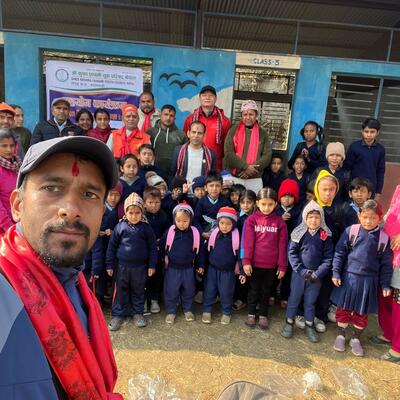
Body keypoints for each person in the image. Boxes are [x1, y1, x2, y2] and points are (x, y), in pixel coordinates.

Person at [0, 135, 121, 399]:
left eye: (89, 194)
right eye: (52, 188)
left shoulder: (77, 284)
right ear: (18, 205)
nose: (71, 209)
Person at [331, 200, 393, 357]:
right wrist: (336, 272)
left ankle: (355, 338)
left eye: (373, 218)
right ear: (359, 215)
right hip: (349, 278)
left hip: (368, 282)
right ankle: (341, 335)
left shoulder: (383, 239)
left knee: (361, 312)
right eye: (365, 217)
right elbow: (339, 253)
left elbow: (386, 265)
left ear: (380, 218)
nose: (368, 221)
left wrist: (385, 285)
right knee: (343, 309)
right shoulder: (351, 231)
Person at [281, 201, 334, 343]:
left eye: (317, 217)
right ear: (305, 217)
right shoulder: (299, 233)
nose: (313, 220)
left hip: (316, 277)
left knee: (310, 301)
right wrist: (300, 269)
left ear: (321, 218)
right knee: (294, 298)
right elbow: (291, 253)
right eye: (310, 217)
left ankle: (309, 325)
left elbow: (328, 257)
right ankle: (289, 322)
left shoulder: (325, 235)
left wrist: (319, 273)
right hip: (299, 274)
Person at [106, 192, 157, 330]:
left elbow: (153, 247)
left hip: (140, 267)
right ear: (125, 212)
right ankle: (118, 315)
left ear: (142, 212)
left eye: (137, 213)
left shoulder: (146, 228)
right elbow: (111, 246)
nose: (134, 216)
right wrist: (109, 265)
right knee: (120, 291)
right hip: (121, 267)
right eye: (131, 213)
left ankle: (138, 313)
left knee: (138, 291)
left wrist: (152, 265)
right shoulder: (120, 226)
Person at [241, 187, 288, 329]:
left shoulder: (280, 223)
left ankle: (263, 315)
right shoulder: (251, 220)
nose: (266, 208)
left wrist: (282, 265)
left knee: (266, 291)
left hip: (271, 266)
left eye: (270, 204)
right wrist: (246, 261)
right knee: (253, 290)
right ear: (257, 203)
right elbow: (247, 243)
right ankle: (251, 313)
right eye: (263, 204)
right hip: (254, 264)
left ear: (276, 204)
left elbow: (283, 246)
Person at [159, 202, 205, 324]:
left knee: (189, 290)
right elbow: (162, 246)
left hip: (189, 268)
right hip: (172, 268)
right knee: (171, 290)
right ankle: (171, 311)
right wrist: (161, 259)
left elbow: (200, 251)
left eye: (185, 221)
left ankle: (188, 309)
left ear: (190, 220)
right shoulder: (170, 232)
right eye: (178, 221)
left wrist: (200, 265)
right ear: (174, 219)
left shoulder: (195, 233)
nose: (182, 224)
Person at [373, 185, 400, 363]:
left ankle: (398, 347)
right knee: (385, 295)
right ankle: (389, 332)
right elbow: (392, 211)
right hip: (387, 253)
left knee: (398, 301)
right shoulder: (398, 188)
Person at [202, 207, 242, 325]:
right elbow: (207, 250)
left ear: (233, 224)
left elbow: (241, 253)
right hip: (212, 269)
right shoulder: (214, 234)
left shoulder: (236, 237)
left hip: (228, 272)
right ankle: (207, 310)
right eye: (222, 223)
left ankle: (226, 312)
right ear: (218, 222)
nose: (224, 226)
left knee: (226, 292)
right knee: (209, 290)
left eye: (228, 224)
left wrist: (241, 268)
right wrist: (202, 265)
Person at [224, 100, 272, 193]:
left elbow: (267, 155)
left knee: (254, 201)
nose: (248, 117)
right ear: (241, 116)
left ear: (256, 115)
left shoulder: (263, 133)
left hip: (255, 179)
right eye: (245, 114)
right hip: (236, 177)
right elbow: (228, 153)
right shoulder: (233, 131)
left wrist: (251, 170)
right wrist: (245, 167)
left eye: (251, 114)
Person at [86, 182, 122, 306]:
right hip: (97, 247)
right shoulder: (99, 208)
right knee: (99, 272)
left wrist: (113, 231)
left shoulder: (120, 210)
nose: (113, 198)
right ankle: (99, 298)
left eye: (117, 195)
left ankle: (108, 295)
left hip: (112, 246)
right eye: (111, 194)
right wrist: (98, 232)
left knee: (109, 270)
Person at [183, 85, 230, 170]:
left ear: (215, 98)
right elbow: (185, 141)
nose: (207, 98)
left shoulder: (224, 121)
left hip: (215, 164)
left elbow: (227, 147)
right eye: (204, 95)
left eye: (211, 95)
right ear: (199, 98)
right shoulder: (190, 119)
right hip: (193, 162)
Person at [274, 178, 301, 308]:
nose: (287, 199)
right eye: (284, 196)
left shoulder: (298, 210)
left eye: (290, 196)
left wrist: (291, 221)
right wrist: (280, 220)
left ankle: (285, 295)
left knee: (288, 272)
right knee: (274, 270)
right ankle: (272, 294)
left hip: (291, 246)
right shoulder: (276, 209)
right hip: (276, 246)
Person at [143, 186, 170, 313]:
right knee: (143, 276)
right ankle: (143, 299)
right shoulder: (141, 216)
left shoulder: (164, 216)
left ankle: (154, 298)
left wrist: (161, 241)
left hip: (158, 251)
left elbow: (167, 232)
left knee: (157, 275)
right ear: (144, 204)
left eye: (157, 202)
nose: (154, 205)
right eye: (150, 202)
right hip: (144, 252)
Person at [344, 117, 385, 200]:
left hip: (371, 188)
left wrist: (378, 191)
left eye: (372, 132)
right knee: (353, 207)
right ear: (362, 131)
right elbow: (346, 168)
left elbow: (380, 171)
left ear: (377, 133)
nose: (369, 135)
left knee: (367, 207)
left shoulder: (380, 149)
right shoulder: (354, 147)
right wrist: (348, 186)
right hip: (355, 186)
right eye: (366, 131)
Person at [147, 104, 187, 180]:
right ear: (160, 115)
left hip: (174, 174)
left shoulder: (182, 135)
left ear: (175, 118)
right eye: (166, 114)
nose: (168, 118)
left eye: (171, 116)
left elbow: (184, 156)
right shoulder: (150, 132)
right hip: (153, 173)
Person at [232, 189, 256, 311]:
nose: (246, 205)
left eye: (249, 202)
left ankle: (252, 300)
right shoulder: (236, 217)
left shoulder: (257, 217)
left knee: (252, 275)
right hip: (240, 250)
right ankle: (240, 298)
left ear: (255, 203)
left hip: (254, 250)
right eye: (243, 202)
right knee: (240, 273)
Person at [194, 172, 230, 240]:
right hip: (204, 233)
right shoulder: (201, 202)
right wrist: (202, 233)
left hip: (221, 234)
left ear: (221, 187)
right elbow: (196, 220)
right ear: (205, 188)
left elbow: (229, 220)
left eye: (217, 186)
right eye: (211, 185)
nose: (214, 188)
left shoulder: (225, 202)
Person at [0, 129, 21, 233]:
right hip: (5, 228)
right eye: (4, 146)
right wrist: (9, 228)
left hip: (18, 221)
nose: (9, 149)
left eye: (11, 145)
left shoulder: (17, 165)